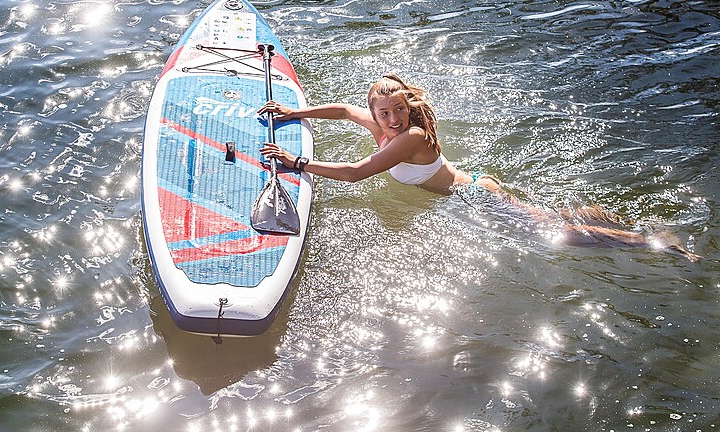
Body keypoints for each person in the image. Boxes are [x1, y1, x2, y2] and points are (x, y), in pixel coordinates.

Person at [259, 73, 700, 262]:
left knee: (555, 234)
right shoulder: (383, 128)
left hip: (475, 197)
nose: (392, 119)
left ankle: (649, 242)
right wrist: (295, 114)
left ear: (407, 107)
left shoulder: (409, 138)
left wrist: (297, 162)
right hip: (475, 186)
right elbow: (341, 111)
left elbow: (357, 173)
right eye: (383, 112)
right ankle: (612, 220)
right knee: (549, 221)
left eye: (398, 110)